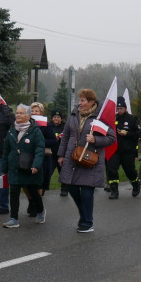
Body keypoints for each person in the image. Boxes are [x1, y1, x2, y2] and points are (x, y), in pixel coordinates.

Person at [57, 89, 116, 233]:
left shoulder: (100, 118)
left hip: (91, 159)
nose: (80, 103)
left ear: (91, 102)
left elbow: (111, 138)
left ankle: (87, 222)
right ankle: (84, 214)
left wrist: (95, 139)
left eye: (83, 101)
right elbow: (66, 136)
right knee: (71, 187)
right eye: (80, 100)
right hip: (73, 157)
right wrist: (61, 155)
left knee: (86, 191)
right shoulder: (73, 116)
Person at [0, 104, 46, 228]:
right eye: (17, 113)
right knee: (13, 191)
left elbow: (40, 149)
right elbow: (6, 150)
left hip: (29, 167)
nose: (18, 115)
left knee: (33, 192)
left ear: (29, 116)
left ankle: (40, 211)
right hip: (14, 167)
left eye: (21, 113)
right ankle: (14, 218)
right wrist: (3, 168)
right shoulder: (11, 130)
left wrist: (36, 165)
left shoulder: (35, 131)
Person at [105, 96, 141, 199]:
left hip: (128, 151)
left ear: (125, 108)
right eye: (117, 108)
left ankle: (135, 184)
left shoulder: (132, 119)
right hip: (114, 150)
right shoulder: (112, 118)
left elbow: (139, 134)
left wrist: (127, 133)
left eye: (121, 108)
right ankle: (114, 191)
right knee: (111, 170)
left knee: (129, 171)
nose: (119, 110)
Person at [31, 102, 58, 204]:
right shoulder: (27, 124)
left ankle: (38, 206)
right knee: (30, 182)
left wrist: (40, 141)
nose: (34, 113)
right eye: (32, 111)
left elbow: (54, 141)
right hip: (29, 157)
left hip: (42, 157)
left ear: (41, 113)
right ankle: (31, 204)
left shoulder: (46, 125)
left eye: (36, 111)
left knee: (40, 182)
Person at [51, 110, 68, 197]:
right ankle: (42, 189)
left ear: (61, 119)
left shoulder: (65, 127)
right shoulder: (48, 126)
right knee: (48, 172)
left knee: (63, 173)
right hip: (51, 154)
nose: (56, 119)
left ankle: (64, 189)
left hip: (61, 154)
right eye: (54, 117)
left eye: (58, 117)